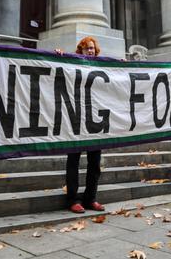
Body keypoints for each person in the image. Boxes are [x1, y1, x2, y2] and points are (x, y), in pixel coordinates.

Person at [57, 37, 105, 213]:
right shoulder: (73, 65)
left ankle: (90, 198)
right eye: (87, 49)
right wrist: (58, 57)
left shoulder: (102, 67)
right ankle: (73, 200)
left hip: (95, 123)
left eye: (92, 48)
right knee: (73, 163)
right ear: (81, 51)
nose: (90, 51)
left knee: (95, 164)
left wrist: (124, 66)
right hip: (75, 121)